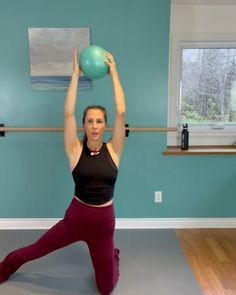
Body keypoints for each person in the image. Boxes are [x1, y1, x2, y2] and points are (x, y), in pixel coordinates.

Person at [0, 49, 126, 295]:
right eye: (89, 121)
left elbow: (121, 111)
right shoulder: (74, 150)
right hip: (76, 219)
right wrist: (75, 75)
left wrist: (114, 74)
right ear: (84, 125)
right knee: (34, 250)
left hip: (103, 225)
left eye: (99, 121)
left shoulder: (114, 149)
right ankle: (4, 268)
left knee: (106, 288)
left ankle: (113, 256)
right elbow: (67, 112)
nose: (94, 126)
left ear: (105, 125)